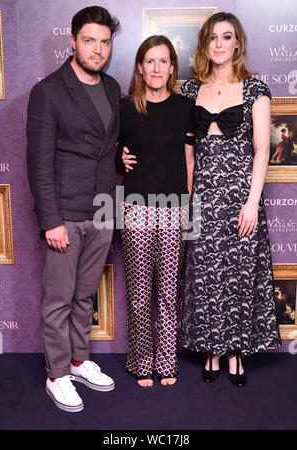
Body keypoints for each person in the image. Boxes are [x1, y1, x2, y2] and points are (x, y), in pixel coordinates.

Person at [179, 12, 282, 388]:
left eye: (227, 37)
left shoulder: (256, 90)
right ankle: (212, 349)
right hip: (204, 197)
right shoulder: (190, 92)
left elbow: (260, 151)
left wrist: (252, 202)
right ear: (205, 43)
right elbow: (187, 150)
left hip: (242, 197)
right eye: (213, 38)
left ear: (237, 43)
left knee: (239, 277)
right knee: (205, 276)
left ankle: (237, 350)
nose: (219, 44)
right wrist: (191, 198)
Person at [27, 6, 120, 412]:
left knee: (85, 296)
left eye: (104, 42)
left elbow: (106, 149)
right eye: (89, 41)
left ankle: (80, 360)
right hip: (65, 214)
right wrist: (51, 221)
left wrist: (123, 159)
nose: (97, 49)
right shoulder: (48, 91)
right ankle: (57, 374)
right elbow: (39, 162)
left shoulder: (114, 87)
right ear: (73, 41)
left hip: (102, 209)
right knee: (58, 300)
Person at [118, 35, 195, 388]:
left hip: (174, 208)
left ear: (172, 67)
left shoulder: (184, 108)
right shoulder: (125, 107)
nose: (157, 68)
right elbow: (113, 147)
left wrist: (190, 203)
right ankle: (141, 361)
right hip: (136, 208)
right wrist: (120, 153)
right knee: (138, 291)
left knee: (167, 290)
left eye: (163, 61)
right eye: (150, 61)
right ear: (139, 66)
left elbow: (189, 158)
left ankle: (166, 361)